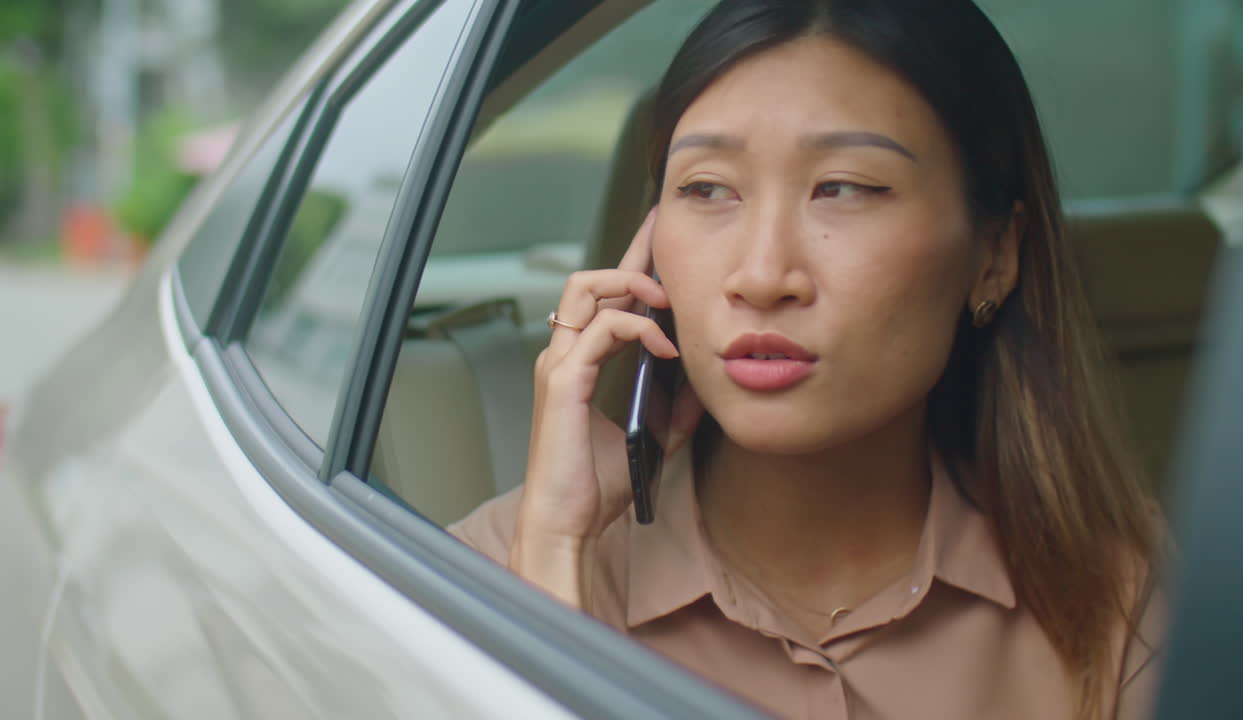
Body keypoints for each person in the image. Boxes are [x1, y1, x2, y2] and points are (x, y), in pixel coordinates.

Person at [451, 1, 1166, 718]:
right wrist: (549, 561)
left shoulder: (1117, 591)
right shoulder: (479, 571)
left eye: (846, 188)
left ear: (995, 256)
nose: (762, 276)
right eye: (707, 189)